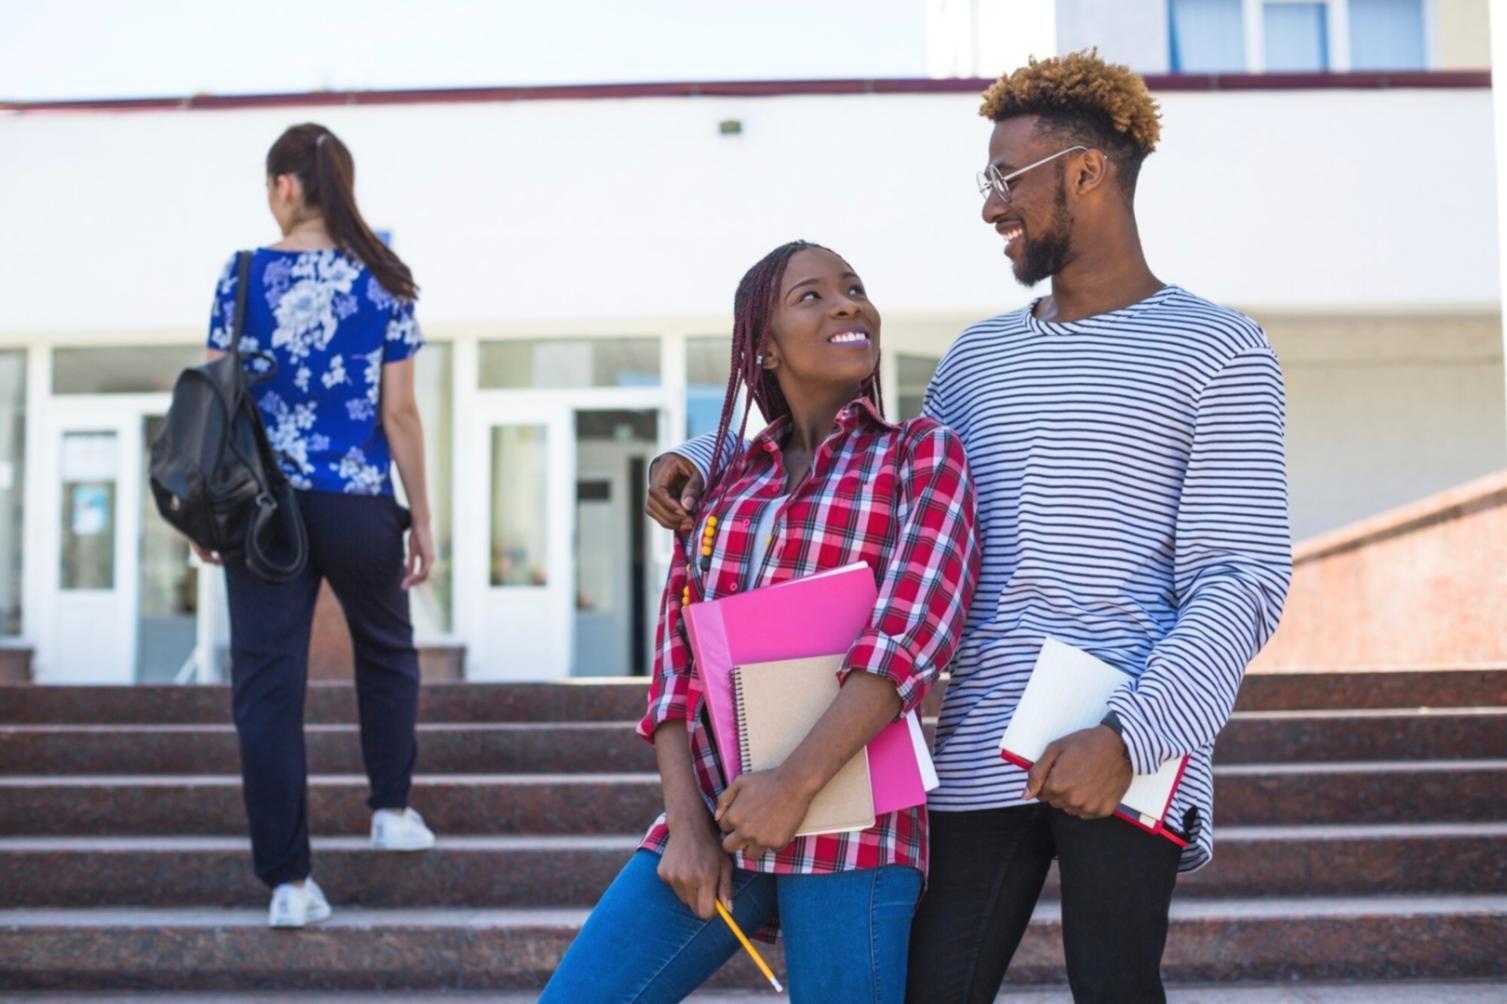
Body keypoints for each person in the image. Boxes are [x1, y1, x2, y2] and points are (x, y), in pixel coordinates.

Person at [645, 52, 1292, 1003]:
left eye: (1005, 179)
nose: (990, 207)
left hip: (1128, 734)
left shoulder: (1220, 350)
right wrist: (704, 455)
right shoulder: (977, 360)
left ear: (1084, 172)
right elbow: (859, 447)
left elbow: (1241, 578)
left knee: (1115, 989)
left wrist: (1133, 735)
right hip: (979, 737)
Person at [543, 241, 979, 1002]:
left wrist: (794, 785)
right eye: (811, 296)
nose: (847, 303)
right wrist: (684, 823)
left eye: (854, 288)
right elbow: (675, 668)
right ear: (764, 348)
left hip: (854, 814)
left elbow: (910, 637)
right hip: (722, 811)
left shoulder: (919, 454)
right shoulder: (722, 483)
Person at [197, 123, 438, 929]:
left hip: (261, 511)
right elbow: (399, 413)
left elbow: (217, 401)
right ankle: (391, 810)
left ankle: (290, 884)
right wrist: (423, 518)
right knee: (386, 650)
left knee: (266, 688)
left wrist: (209, 507)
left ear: (285, 187)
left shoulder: (239, 277)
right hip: (358, 498)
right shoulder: (385, 280)